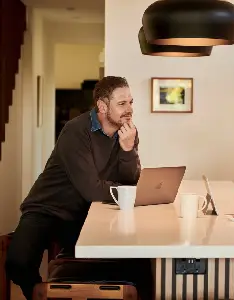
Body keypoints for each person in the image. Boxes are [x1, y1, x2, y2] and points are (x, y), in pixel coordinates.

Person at [5, 76, 151, 300]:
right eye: (122, 104)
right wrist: (122, 190)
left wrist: (128, 149)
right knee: (17, 262)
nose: (129, 109)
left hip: (85, 212)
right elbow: (92, 190)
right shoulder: (76, 131)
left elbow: (129, 181)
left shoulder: (128, 132)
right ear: (102, 106)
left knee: (131, 262)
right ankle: (42, 295)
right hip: (48, 208)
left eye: (131, 102)